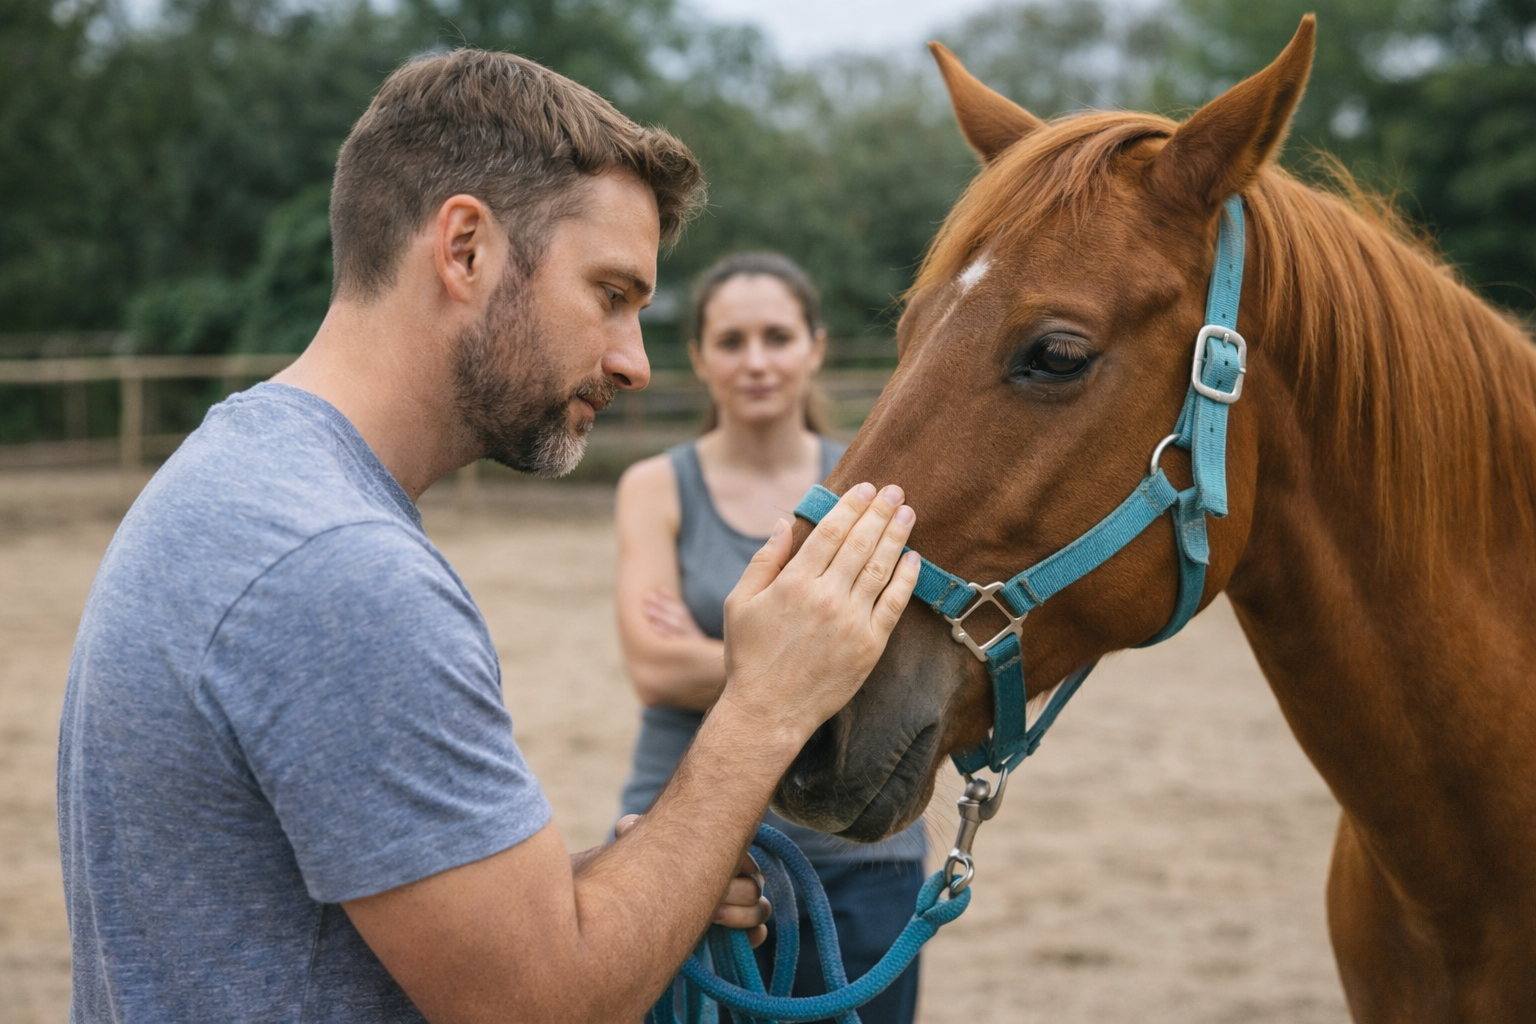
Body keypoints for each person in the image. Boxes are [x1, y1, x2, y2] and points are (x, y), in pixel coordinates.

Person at [58, 49, 922, 1024]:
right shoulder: (341, 572)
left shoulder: (241, 481)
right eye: (610, 294)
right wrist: (764, 705)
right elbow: (544, 1006)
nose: (633, 361)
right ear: (465, 248)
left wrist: (626, 876)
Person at [615, 252, 927, 1023]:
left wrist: (715, 655)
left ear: (815, 346)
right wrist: (823, 658)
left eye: (777, 336)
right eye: (731, 341)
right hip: (689, 853)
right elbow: (654, 669)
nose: (755, 361)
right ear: (698, 356)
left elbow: (902, 662)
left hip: (863, 857)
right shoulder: (654, 485)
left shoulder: (878, 485)